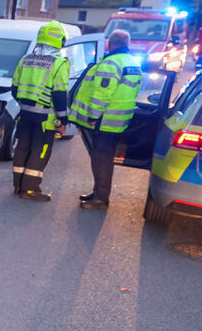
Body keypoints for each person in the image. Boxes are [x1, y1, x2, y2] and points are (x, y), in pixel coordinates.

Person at [70, 29, 143, 210]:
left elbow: (102, 94)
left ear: (110, 44)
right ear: (127, 44)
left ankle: (101, 199)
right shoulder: (132, 62)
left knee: (101, 160)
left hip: (105, 120)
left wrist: (93, 116)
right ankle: (98, 193)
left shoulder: (111, 63)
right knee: (104, 159)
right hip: (121, 120)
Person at [10, 21, 71, 201]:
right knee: (40, 151)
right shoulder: (59, 64)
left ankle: (19, 185)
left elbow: (14, 90)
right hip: (45, 119)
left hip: (25, 115)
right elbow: (60, 96)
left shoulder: (26, 59)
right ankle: (30, 190)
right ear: (60, 40)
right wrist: (63, 120)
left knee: (22, 148)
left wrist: (25, 104)